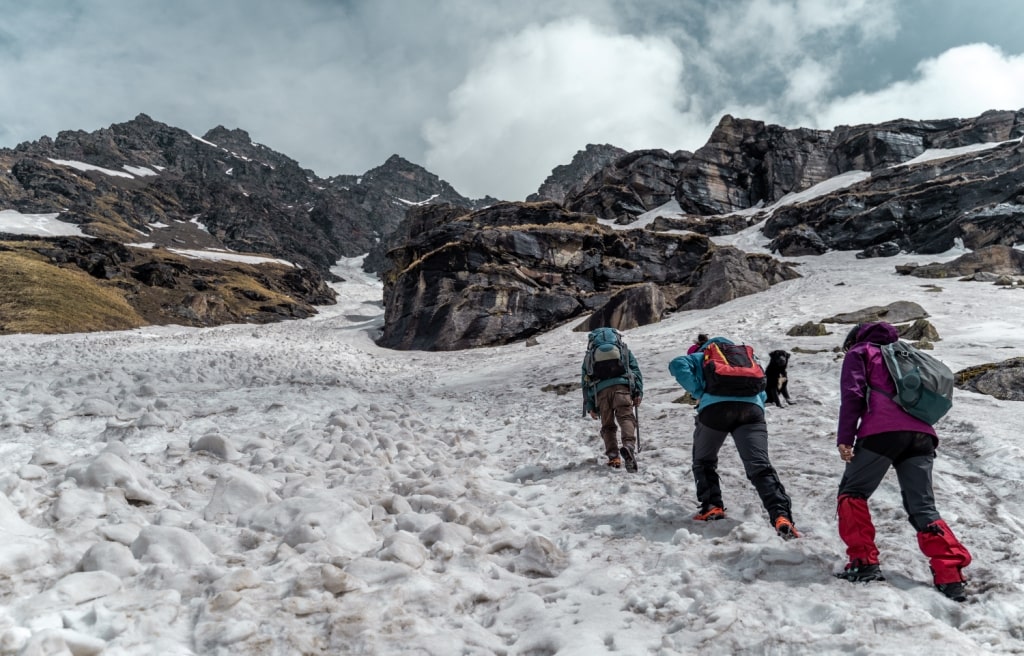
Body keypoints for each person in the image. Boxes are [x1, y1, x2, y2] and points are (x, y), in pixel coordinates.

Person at [834, 322, 972, 601]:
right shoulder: (906, 353)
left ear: (855, 338)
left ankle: (864, 563)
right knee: (922, 506)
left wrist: (845, 437)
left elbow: (853, 396)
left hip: (881, 433)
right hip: (922, 435)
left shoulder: (861, 352)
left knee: (852, 493)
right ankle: (950, 576)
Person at [669, 336, 800, 538]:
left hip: (714, 411)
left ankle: (712, 506)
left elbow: (677, 364)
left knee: (703, 461)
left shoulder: (704, 354)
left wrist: (699, 391)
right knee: (760, 466)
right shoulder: (747, 358)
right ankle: (782, 516)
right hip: (752, 412)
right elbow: (762, 386)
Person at [581, 331, 643, 470]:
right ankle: (628, 446)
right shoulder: (623, 350)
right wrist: (638, 392)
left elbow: (585, 381)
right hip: (622, 388)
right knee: (626, 417)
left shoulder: (590, 355)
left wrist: (590, 405)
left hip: (601, 393)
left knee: (608, 425)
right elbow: (635, 371)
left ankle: (614, 456)